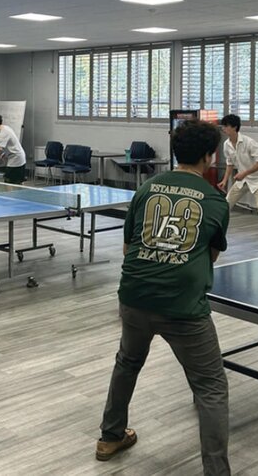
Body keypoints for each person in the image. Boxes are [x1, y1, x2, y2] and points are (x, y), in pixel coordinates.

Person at [96, 119, 231, 475]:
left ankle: (110, 436)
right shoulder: (216, 200)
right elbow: (210, 256)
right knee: (211, 388)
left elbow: (128, 248)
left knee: (127, 363)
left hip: (134, 297)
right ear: (209, 155)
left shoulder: (147, 188)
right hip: (184, 308)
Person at [218, 114, 258, 254]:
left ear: (234, 127)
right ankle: (216, 240)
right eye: (223, 126)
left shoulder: (250, 143)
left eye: (226, 126)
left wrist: (244, 173)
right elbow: (230, 164)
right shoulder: (226, 145)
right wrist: (225, 180)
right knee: (224, 207)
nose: (223, 128)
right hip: (242, 181)